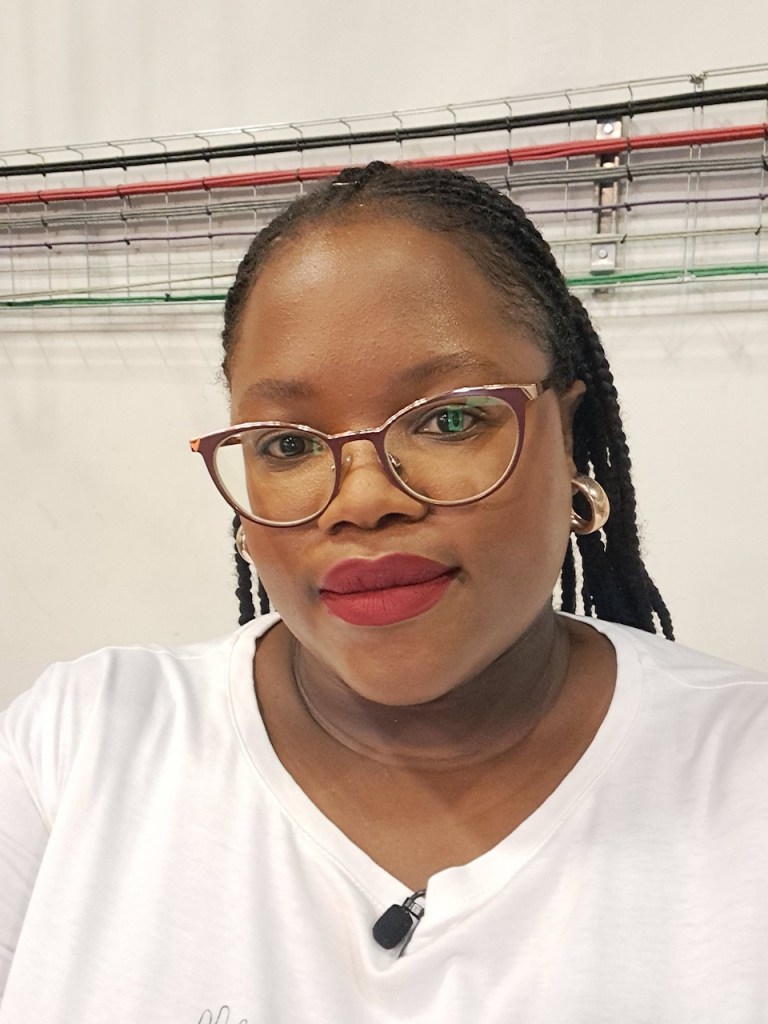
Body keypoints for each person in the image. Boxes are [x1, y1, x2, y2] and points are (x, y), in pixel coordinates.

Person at [1, 161, 767, 1023]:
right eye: (289, 444)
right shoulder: (79, 744)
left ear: (568, 434)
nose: (362, 500)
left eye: (448, 419)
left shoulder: (743, 771)